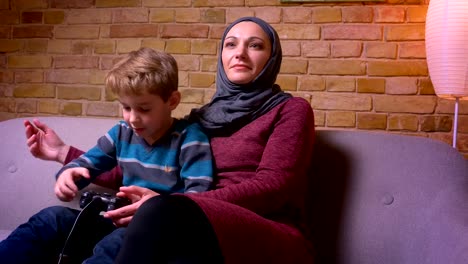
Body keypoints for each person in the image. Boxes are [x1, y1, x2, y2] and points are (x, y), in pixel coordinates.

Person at [18, 16, 316, 263]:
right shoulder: (200, 119)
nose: (240, 53)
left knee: (154, 216)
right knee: (56, 221)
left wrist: (170, 205)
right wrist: (63, 154)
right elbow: (140, 168)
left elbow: (274, 187)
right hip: (177, 218)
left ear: (271, 57)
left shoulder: (291, 109)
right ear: (221, 56)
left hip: (263, 229)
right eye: (230, 44)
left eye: (255, 45)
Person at [0, 47, 214, 264]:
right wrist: (70, 173)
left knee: (116, 243)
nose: (133, 118)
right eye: (126, 107)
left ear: (172, 101)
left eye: (144, 109)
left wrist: (159, 207)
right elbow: (88, 163)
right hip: (113, 223)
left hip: (156, 234)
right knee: (51, 218)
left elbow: (199, 199)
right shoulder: (121, 133)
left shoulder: (190, 138)